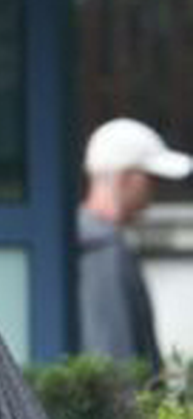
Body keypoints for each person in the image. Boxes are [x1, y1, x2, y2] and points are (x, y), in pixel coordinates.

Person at [78, 117, 192, 375]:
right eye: (150, 178)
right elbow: (115, 359)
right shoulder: (102, 247)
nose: (154, 190)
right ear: (127, 178)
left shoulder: (91, 240)